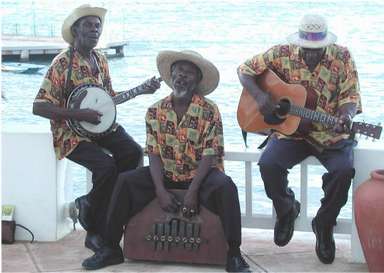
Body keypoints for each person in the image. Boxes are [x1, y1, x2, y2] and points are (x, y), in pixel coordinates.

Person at [81, 50, 251, 272]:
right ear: (171, 76)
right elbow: (153, 153)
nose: (182, 76)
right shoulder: (155, 111)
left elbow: (211, 154)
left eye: (188, 73)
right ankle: (111, 248)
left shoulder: (209, 110)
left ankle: (234, 254)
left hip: (200, 176)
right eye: (178, 71)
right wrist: (160, 190)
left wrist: (192, 191)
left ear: (198, 80)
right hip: (167, 175)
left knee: (227, 187)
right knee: (124, 182)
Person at [32, 4, 160, 253]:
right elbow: (39, 106)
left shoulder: (100, 59)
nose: (95, 29)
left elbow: (109, 98)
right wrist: (80, 114)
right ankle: (94, 225)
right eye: (88, 25)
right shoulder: (62, 63)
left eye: (97, 25)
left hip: (100, 128)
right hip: (69, 133)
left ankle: (98, 204)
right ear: (76, 30)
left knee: (133, 153)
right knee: (106, 167)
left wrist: (141, 90)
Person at [237, 14, 362, 264]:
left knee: (344, 171)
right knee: (268, 164)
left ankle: (324, 224)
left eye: (317, 50)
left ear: (327, 44)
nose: (312, 55)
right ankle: (286, 209)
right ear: (298, 43)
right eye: (307, 50)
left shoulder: (342, 56)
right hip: (291, 133)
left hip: (329, 133)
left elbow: (350, 96)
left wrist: (345, 116)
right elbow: (244, 70)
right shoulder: (281, 53)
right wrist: (261, 98)